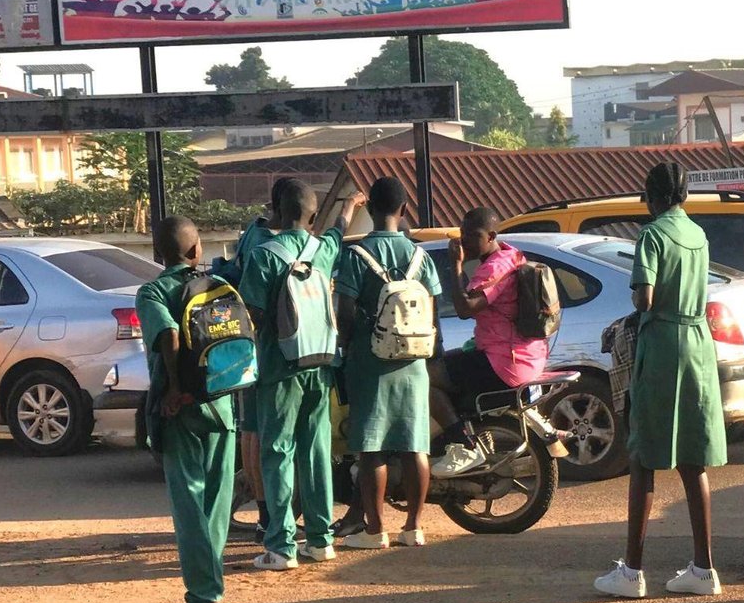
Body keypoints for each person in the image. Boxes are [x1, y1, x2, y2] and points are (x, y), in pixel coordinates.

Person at [595, 162, 726, 599]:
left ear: (650, 197)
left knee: (644, 456)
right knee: (692, 459)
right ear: (685, 195)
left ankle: (631, 572)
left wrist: (638, 298)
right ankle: (704, 569)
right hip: (697, 341)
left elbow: (644, 295)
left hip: (663, 340)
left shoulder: (652, 235)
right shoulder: (698, 235)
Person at [239, 180, 366, 571]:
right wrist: (348, 205)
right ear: (312, 215)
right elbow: (338, 229)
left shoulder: (264, 255)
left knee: (277, 453)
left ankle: (280, 546)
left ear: (276, 210)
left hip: (280, 367)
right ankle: (320, 539)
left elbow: (252, 315)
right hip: (321, 363)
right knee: (315, 452)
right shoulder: (323, 250)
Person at [136, 216, 235, 603]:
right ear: (197, 250)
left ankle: (203, 600)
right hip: (223, 404)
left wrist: (175, 388)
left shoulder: (153, 290)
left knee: (189, 505)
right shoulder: (219, 285)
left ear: (159, 254)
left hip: (182, 411)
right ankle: (212, 590)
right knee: (215, 503)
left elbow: (169, 336)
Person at [335, 177, 442, 549]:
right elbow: (433, 310)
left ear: (369, 210)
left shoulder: (355, 256)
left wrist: (347, 348)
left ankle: (375, 529)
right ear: (404, 210)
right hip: (413, 362)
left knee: (371, 446)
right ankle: (413, 527)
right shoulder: (420, 256)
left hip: (370, 358)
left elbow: (345, 311)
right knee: (416, 445)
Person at [428, 207, 568, 476]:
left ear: (491, 235)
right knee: (453, 364)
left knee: (426, 376)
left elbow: (465, 308)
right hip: (525, 357)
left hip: (505, 362)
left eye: (473, 235)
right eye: (463, 233)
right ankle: (480, 434)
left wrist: (456, 265)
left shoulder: (495, 267)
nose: (465, 239)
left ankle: (464, 445)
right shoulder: (511, 255)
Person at [220, 177, 294, 545]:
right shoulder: (277, 247)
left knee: (251, 431)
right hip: (276, 350)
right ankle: (271, 515)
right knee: (268, 438)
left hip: (250, 348)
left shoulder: (253, 232)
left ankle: (265, 515)